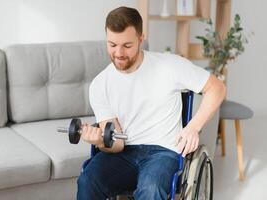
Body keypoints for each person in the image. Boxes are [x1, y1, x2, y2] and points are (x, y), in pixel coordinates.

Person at [77, 6, 226, 200]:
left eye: (127, 46)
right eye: (112, 45)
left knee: (151, 188)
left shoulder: (169, 65)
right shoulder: (100, 84)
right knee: (88, 180)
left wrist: (194, 127)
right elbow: (117, 144)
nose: (119, 53)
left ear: (140, 39)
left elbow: (217, 88)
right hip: (123, 154)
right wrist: (99, 140)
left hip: (163, 153)